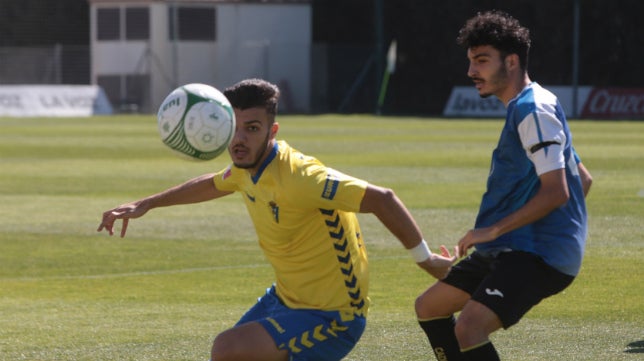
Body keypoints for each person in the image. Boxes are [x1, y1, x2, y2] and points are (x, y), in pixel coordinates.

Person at [97, 78, 456, 361]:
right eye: (233, 128)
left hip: (334, 317)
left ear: (273, 131)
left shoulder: (302, 177)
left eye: (252, 128)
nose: (239, 139)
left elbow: (383, 199)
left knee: (227, 349)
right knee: (228, 356)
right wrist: (146, 204)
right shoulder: (244, 167)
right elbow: (212, 184)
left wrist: (426, 260)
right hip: (286, 300)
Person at [414, 11, 591, 361]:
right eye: (470, 61)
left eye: (481, 61)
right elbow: (582, 178)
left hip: (537, 254)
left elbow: (558, 191)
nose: (471, 72)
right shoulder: (528, 106)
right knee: (429, 306)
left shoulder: (534, 110)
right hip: (513, 246)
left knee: (469, 328)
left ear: (511, 61)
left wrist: (494, 231)